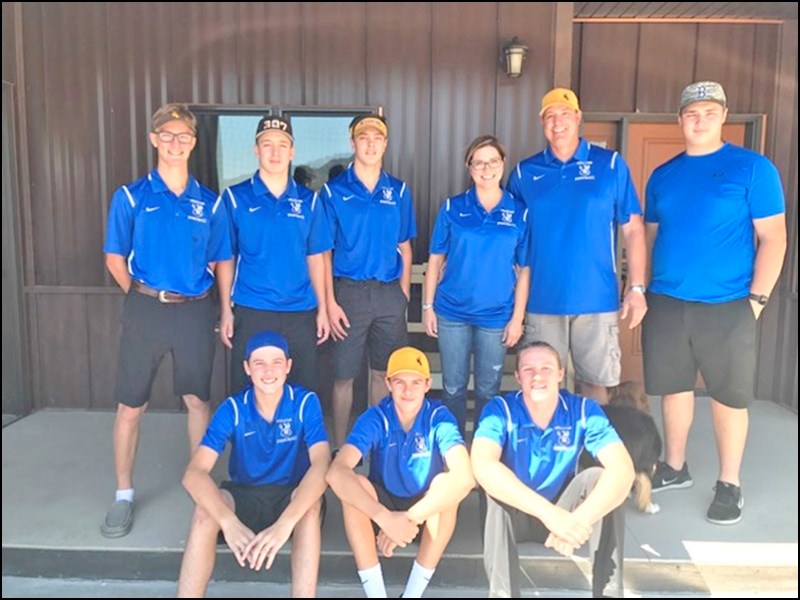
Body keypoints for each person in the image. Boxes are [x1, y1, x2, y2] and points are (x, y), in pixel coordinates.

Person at [643, 81, 787, 525]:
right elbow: (649, 239)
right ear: (680, 119)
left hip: (728, 304)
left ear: (724, 116)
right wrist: (643, 292)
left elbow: (774, 238)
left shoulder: (752, 169)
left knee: (729, 396)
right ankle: (675, 465)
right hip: (667, 300)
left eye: (708, 111)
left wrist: (757, 301)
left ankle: (729, 483)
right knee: (674, 388)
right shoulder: (663, 175)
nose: (699, 120)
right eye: (691, 112)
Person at [101, 103, 231, 538]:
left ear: (194, 143)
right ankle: (123, 493)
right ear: (154, 139)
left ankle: (200, 487)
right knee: (131, 405)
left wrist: (223, 307)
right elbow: (115, 258)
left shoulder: (208, 203)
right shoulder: (133, 196)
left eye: (184, 137)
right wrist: (144, 297)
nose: (176, 143)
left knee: (197, 400)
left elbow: (220, 260)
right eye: (168, 135)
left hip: (195, 309)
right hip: (145, 309)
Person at [508, 88, 647, 404]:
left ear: (578, 118)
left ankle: (591, 454)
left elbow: (634, 228)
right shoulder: (523, 173)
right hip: (542, 299)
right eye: (550, 116)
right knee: (540, 389)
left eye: (565, 114)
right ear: (542, 122)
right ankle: (546, 453)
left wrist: (637, 288)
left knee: (596, 389)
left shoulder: (609, 165)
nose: (558, 123)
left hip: (596, 298)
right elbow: (509, 236)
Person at [471, 341, 634, 598]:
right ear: (517, 377)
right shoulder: (500, 409)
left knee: (601, 478)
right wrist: (549, 515)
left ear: (560, 374)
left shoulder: (583, 410)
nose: (537, 376)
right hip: (519, 515)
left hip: (565, 510)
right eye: (528, 369)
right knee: (495, 487)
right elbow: (481, 465)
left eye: (546, 368)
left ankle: (608, 593)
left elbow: (623, 470)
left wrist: (578, 521)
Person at [177, 330, 330, 597]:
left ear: (288, 366)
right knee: (205, 511)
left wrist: (285, 524)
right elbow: (194, 474)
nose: (268, 371)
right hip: (246, 493)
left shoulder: (306, 402)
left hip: (290, 494)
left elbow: (321, 465)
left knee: (310, 506)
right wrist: (228, 521)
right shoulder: (233, 408)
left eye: (276, 362)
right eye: (259, 363)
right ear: (247, 368)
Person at [326, 346, 474, 598]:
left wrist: (409, 519)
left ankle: (412, 594)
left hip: (424, 513)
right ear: (388, 384)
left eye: (416, 382)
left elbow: (465, 477)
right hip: (384, 507)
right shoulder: (376, 417)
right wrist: (384, 518)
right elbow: (335, 473)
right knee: (354, 485)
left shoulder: (439, 416)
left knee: (446, 485)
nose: (408, 390)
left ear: (428, 384)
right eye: (400, 382)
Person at [423, 135, 530, 435]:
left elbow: (524, 270)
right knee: (454, 388)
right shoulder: (452, 207)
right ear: (469, 167)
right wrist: (428, 307)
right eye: (479, 162)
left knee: (487, 390)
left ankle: (484, 453)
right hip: (452, 313)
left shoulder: (519, 211)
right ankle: (454, 450)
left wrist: (517, 319)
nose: (486, 168)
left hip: (496, 316)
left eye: (493, 161)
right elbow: (434, 261)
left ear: (502, 164)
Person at [217, 116, 332, 394]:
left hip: (300, 311)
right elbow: (225, 258)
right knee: (247, 392)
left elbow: (316, 257)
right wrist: (225, 311)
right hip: (252, 309)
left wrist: (323, 310)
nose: (275, 152)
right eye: (267, 144)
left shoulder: (309, 201)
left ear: (292, 152)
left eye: (283, 145)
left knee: (301, 391)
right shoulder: (235, 198)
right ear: (256, 150)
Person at [322, 114, 417, 448]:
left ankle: (373, 443)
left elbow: (405, 247)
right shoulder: (334, 192)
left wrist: (403, 295)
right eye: (364, 138)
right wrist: (330, 302)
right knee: (343, 376)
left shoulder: (398, 190)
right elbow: (324, 253)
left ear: (386, 144)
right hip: (348, 293)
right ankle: (340, 445)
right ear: (353, 143)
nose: (371, 143)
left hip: (388, 294)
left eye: (378, 138)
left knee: (382, 373)